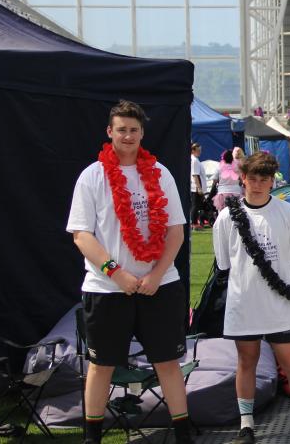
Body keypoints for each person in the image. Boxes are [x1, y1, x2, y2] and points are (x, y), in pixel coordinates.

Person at [66, 100, 193, 444]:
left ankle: (183, 435)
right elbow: (81, 234)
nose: (127, 135)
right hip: (106, 288)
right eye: (121, 129)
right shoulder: (92, 176)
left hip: (160, 286)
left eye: (133, 130)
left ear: (142, 133)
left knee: (167, 363)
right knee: (101, 365)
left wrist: (156, 275)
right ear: (110, 132)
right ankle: (92, 437)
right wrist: (116, 273)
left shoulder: (160, 173)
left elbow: (176, 232)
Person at [212, 152, 290, 444]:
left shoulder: (289, 214)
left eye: (264, 179)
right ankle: (246, 427)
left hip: (280, 305)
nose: (257, 185)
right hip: (244, 304)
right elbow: (225, 264)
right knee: (246, 362)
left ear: (273, 182)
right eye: (252, 178)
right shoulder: (225, 218)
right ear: (242, 179)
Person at [190, 142, 205, 229]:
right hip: (195, 187)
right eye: (198, 150)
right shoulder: (195, 161)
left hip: (196, 187)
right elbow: (195, 175)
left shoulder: (195, 160)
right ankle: (194, 223)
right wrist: (199, 188)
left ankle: (195, 222)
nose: (200, 152)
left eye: (200, 150)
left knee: (196, 205)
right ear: (193, 150)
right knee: (195, 206)